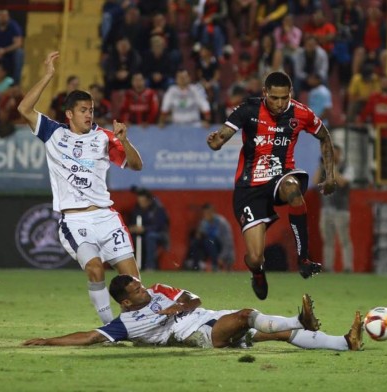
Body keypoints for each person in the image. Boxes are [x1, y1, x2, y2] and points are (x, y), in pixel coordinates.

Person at [17, 51, 143, 324]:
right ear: (69, 114)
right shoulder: (54, 133)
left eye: (92, 110)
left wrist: (126, 141)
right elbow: (24, 109)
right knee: (95, 269)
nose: (89, 115)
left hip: (106, 217)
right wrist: (48, 75)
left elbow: (136, 165)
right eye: (83, 110)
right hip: (75, 219)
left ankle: (139, 325)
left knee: (132, 282)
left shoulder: (104, 137)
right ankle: (110, 327)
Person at [206, 71, 337, 300]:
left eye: (284, 98)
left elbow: (324, 136)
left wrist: (331, 175)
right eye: (274, 98)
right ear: (265, 93)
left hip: (280, 177)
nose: (279, 103)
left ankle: (303, 258)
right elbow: (222, 138)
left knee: (293, 190)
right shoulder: (249, 109)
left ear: (291, 94)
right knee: (255, 257)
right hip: (250, 188)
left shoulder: (301, 113)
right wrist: (215, 142)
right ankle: (257, 272)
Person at [23, 274, 364, 351]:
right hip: (198, 336)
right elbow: (90, 336)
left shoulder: (158, 290)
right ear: (126, 302)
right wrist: (49, 341)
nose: (144, 289)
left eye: (140, 285)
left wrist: (180, 305)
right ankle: (297, 318)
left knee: (278, 335)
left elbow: (195, 299)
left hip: (206, 316)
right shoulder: (126, 322)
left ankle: (344, 343)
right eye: (136, 291)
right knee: (248, 315)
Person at [313, 144, 355, 273]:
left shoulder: (347, 168)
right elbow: (315, 183)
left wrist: (330, 167)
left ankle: (348, 267)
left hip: (341, 210)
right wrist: (321, 167)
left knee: (344, 240)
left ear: (339, 154)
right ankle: (328, 266)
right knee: (328, 241)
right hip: (326, 209)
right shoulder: (324, 168)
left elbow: (342, 182)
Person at [128, 188, 170, 271]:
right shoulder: (137, 210)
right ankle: (130, 266)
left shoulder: (158, 209)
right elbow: (132, 223)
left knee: (150, 237)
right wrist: (132, 228)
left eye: (143, 202)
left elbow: (159, 226)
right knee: (128, 238)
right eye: (139, 201)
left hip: (159, 234)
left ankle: (150, 266)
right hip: (141, 235)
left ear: (149, 201)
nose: (141, 204)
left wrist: (145, 229)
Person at [188, 203, 235, 271]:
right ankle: (196, 266)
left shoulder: (222, 223)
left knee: (209, 240)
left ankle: (216, 266)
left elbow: (228, 243)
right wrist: (198, 235)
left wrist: (222, 257)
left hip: (221, 250)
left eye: (208, 213)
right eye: (205, 213)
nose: (206, 215)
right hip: (210, 247)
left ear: (213, 212)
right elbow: (199, 237)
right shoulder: (204, 222)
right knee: (195, 242)